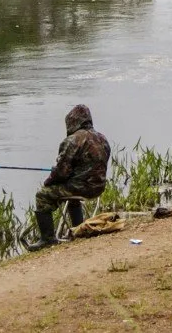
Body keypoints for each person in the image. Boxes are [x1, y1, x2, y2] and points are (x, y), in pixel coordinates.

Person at [31, 103, 110, 246]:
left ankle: (47, 239)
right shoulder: (102, 138)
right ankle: (78, 229)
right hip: (99, 187)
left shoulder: (72, 140)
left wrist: (49, 181)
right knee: (71, 194)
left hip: (80, 188)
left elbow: (61, 172)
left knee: (42, 195)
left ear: (72, 121)